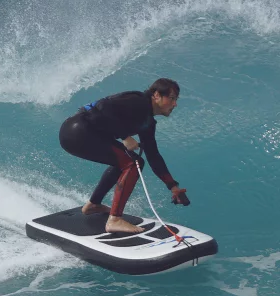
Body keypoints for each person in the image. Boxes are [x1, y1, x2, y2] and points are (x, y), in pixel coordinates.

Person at [59, 77, 190, 234]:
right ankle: (114, 219)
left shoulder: (148, 123)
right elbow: (103, 106)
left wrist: (172, 186)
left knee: (127, 162)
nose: (175, 104)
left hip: (81, 134)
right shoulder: (138, 101)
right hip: (77, 131)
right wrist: (125, 137)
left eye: (176, 100)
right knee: (132, 163)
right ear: (156, 95)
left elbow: (153, 155)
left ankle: (93, 205)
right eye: (172, 98)